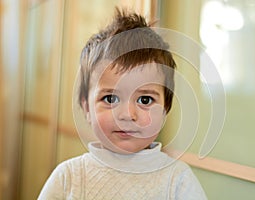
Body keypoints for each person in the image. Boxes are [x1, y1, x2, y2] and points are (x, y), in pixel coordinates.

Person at [38, 8, 207, 200]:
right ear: (87, 108)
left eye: (145, 100)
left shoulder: (178, 180)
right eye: (110, 99)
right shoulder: (68, 176)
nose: (127, 114)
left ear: (165, 109)